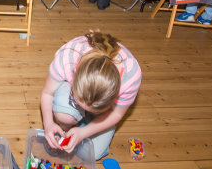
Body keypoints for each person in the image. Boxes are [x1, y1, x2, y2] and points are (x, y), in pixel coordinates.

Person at [40, 31, 142, 160]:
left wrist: (84, 132)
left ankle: (83, 122)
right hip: (74, 79)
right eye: (80, 103)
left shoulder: (131, 76)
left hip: (104, 108)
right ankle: (71, 121)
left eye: (92, 109)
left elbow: (116, 114)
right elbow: (47, 93)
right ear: (75, 73)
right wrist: (48, 123)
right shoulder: (68, 57)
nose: (87, 109)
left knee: (93, 153)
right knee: (64, 116)